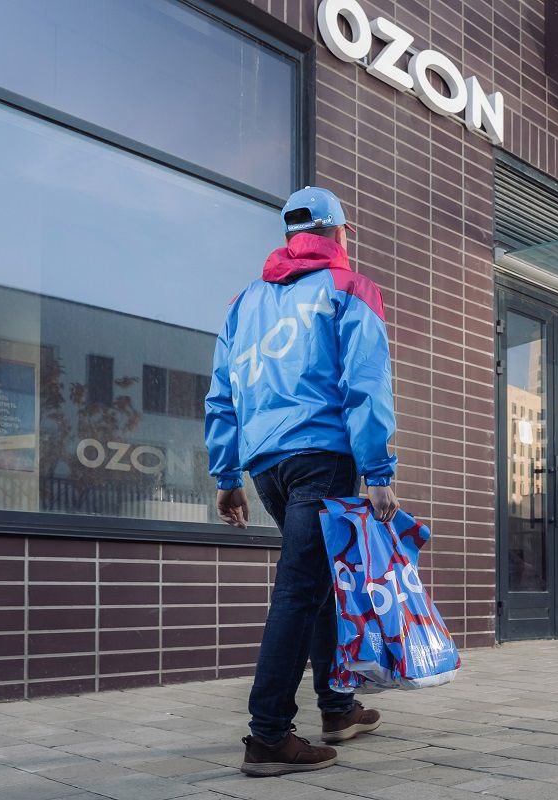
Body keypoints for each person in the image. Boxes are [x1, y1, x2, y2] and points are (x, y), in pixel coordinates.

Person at [204, 186, 399, 777]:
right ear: (339, 234)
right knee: (300, 589)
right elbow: (365, 383)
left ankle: (338, 708)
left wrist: (227, 473)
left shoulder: (244, 303)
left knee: (316, 584)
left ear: (291, 237)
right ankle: (268, 735)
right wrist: (378, 471)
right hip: (322, 457)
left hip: (267, 466)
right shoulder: (350, 289)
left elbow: (222, 393)